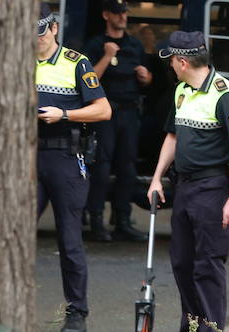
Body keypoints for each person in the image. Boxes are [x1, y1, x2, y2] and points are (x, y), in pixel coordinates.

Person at [147, 31, 229, 332]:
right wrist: (156, 179)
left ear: (182, 61)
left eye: (171, 60)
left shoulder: (224, 95)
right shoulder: (182, 91)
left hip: (212, 189)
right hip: (184, 188)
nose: (169, 66)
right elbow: (172, 138)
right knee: (182, 264)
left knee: (207, 268)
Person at [36, 2, 112, 332]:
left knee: (69, 241)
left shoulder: (76, 63)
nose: (35, 40)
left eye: (40, 32)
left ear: (53, 28)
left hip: (64, 158)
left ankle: (77, 312)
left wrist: (64, 115)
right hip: (24, 158)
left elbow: (103, 110)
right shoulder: (14, 60)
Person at [83, 0, 152, 243]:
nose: (123, 17)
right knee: (101, 167)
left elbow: (147, 79)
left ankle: (122, 220)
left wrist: (146, 77)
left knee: (127, 167)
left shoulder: (134, 44)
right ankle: (96, 221)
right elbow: (89, 79)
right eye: (118, 13)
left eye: (124, 12)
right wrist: (107, 55)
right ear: (106, 15)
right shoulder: (95, 44)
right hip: (104, 112)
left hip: (130, 112)